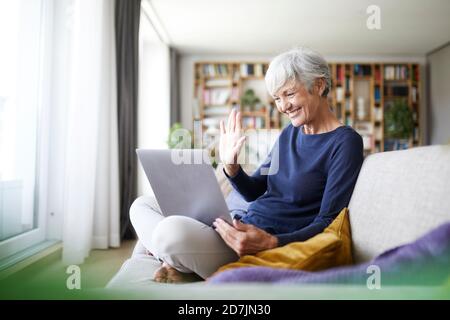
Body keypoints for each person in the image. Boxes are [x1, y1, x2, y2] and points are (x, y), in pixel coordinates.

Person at [129, 47, 364, 283]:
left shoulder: (345, 142)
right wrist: (232, 167)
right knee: (142, 206)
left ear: (320, 85)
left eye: (289, 94)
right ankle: (178, 260)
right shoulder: (289, 134)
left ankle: (176, 258)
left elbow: (328, 222)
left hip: (253, 244)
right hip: (236, 224)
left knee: (170, 233)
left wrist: (272, 242)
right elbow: (254, 190)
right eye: (277, 98)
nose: (283, 106)